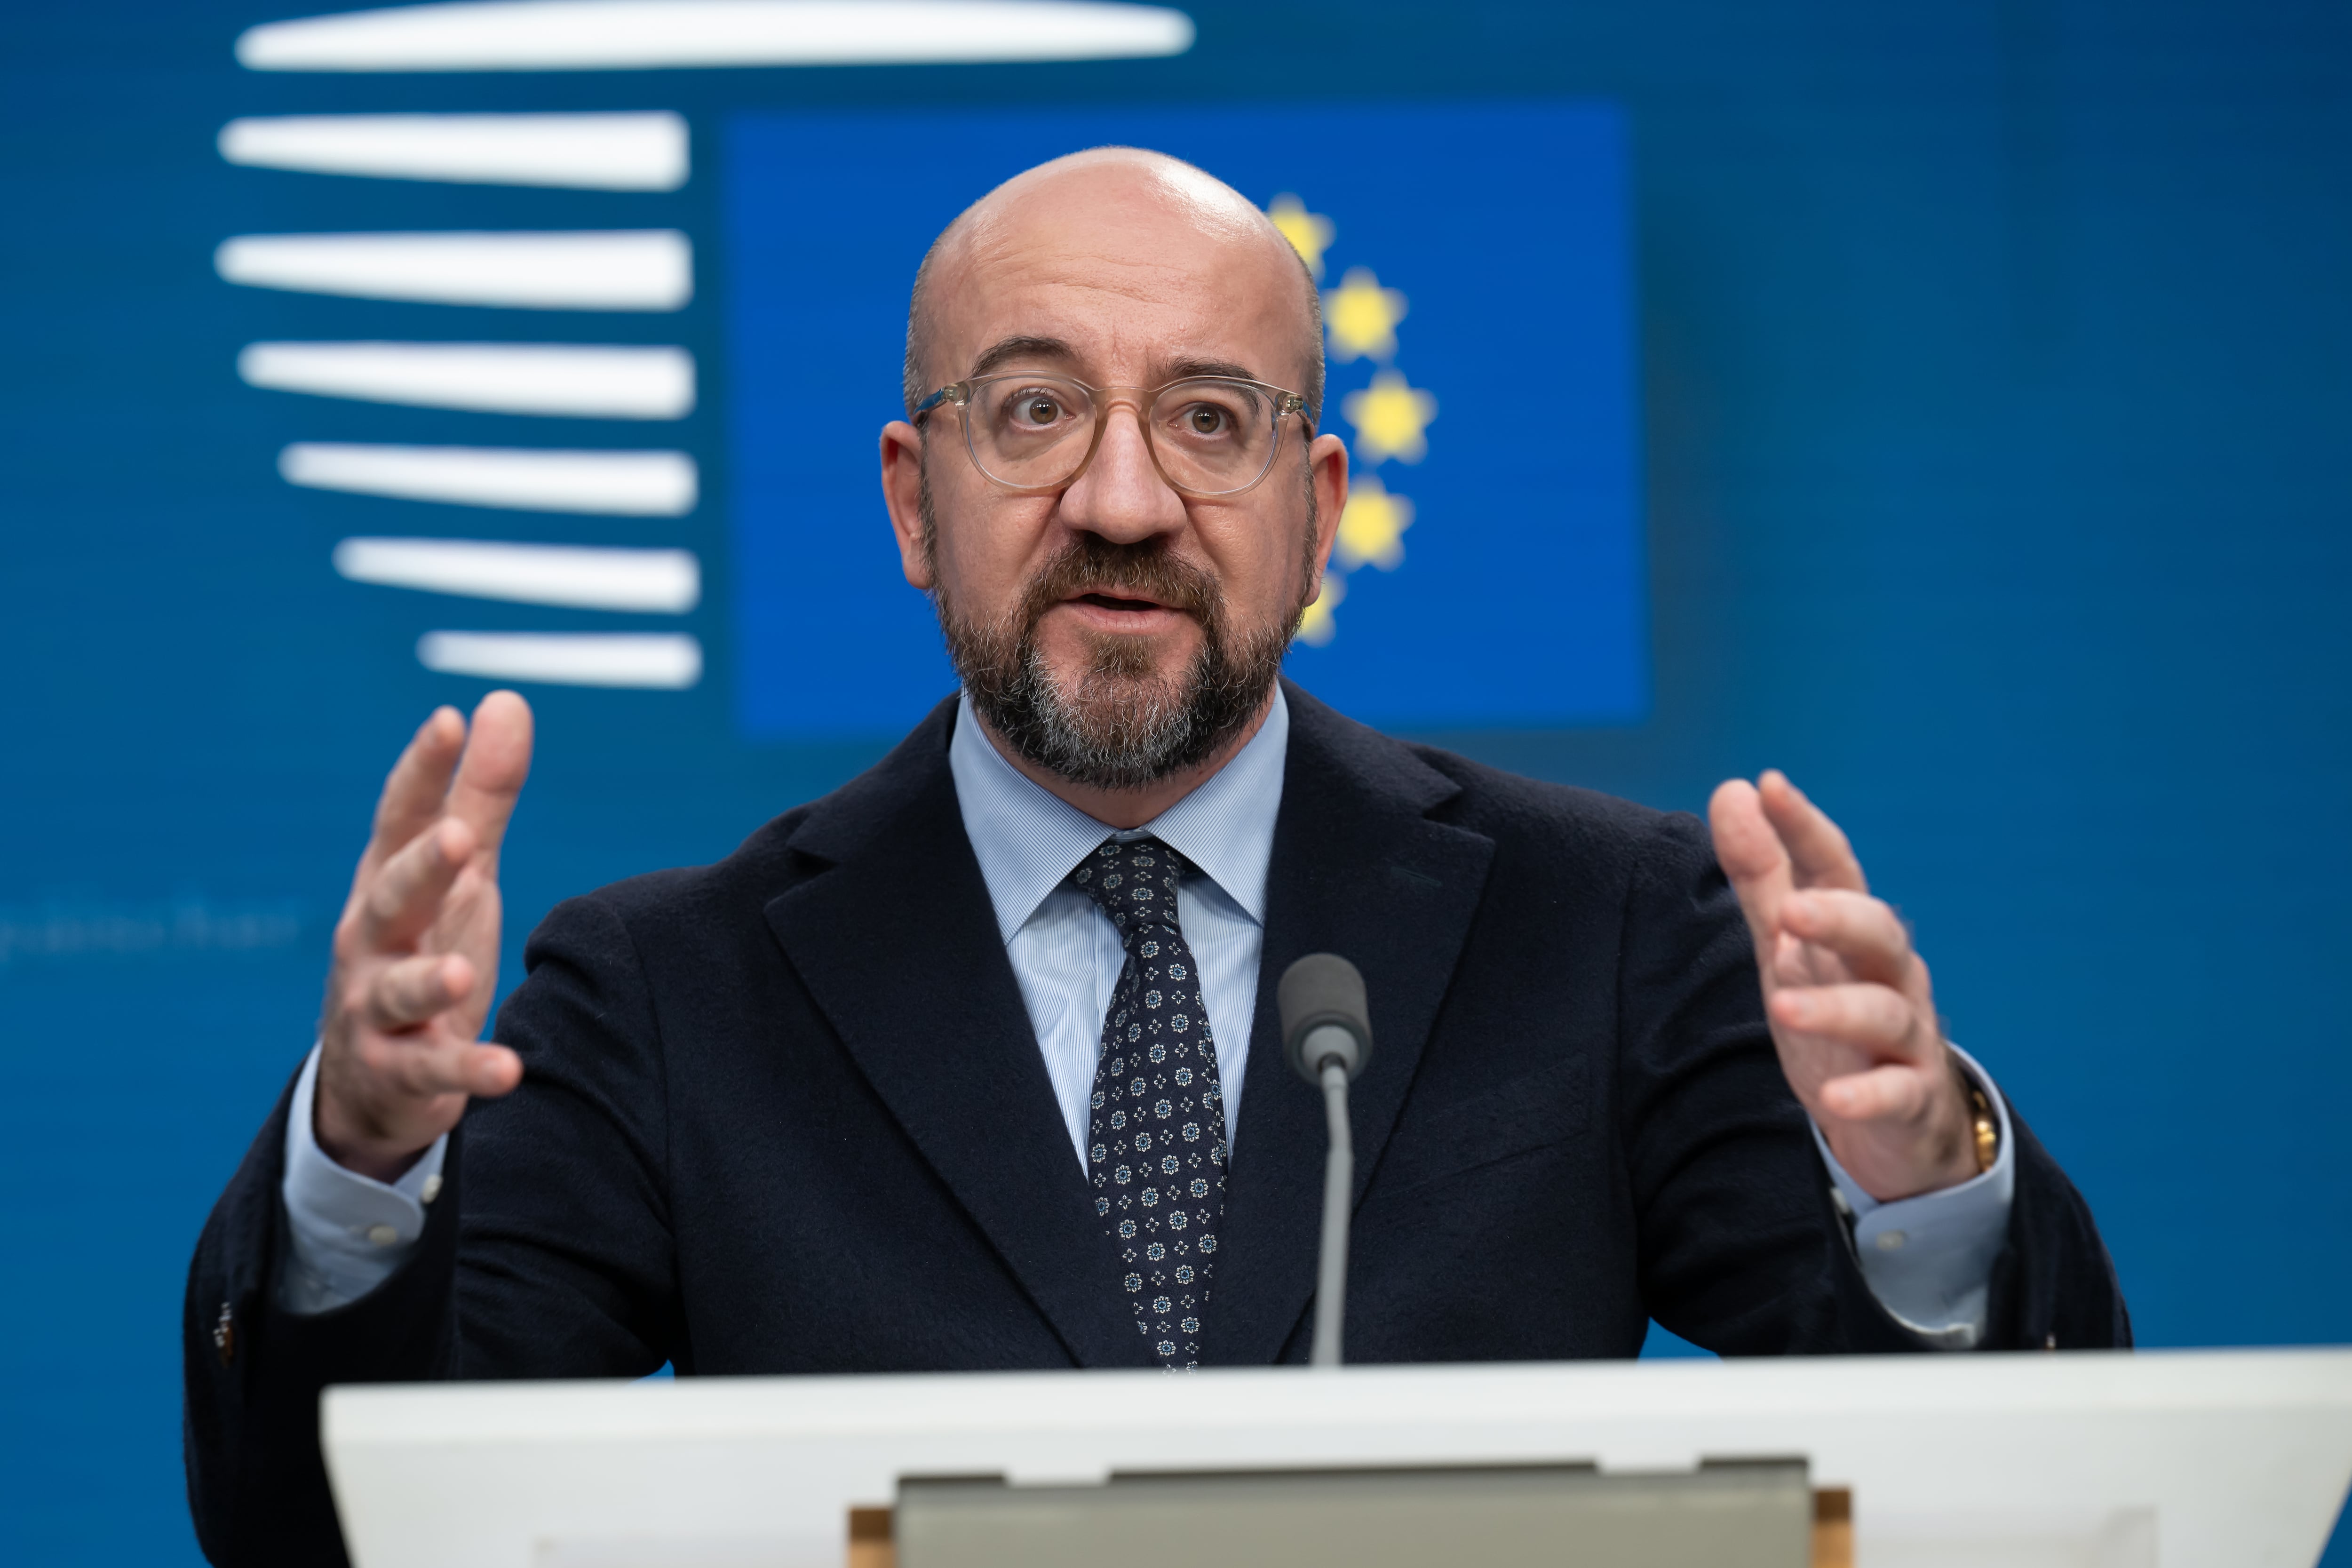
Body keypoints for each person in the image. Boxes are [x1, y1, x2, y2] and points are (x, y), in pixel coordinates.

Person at [183, 148, 2126, 1568]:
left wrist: (1916, 1186)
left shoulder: (1601, 923)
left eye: (1208, 419)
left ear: (1318, 506)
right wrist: (359, 1170)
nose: (1122, 500)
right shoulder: (673, 993)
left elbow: (2002, 1494)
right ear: (910, 499)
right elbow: (339, 1529)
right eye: (1031, 412)